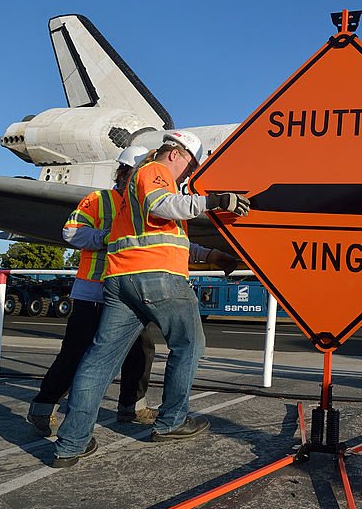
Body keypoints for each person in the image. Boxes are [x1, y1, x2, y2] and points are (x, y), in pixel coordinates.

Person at [52, 131, 249, 467]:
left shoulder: (133, 197)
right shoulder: (154, 171)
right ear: (177, 153)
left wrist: (213, 255)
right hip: (159, 280)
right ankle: (172, 422)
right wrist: (214, 201)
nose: (189, 174)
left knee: (100, 360)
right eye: (190, 165)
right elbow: (165, 207)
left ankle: (70, 444)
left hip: (120, 281)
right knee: (188, 346)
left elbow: (165, 240)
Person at [27, 146, 158, 437]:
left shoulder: (145, 205)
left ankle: (132, 407)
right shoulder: (99, 200)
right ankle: (43, 406)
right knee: (76, 352)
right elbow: (71, 232)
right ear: (125, 173)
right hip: (94, 292)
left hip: (132, 292)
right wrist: (108, 237)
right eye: (140, 173)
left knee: (141, 350)